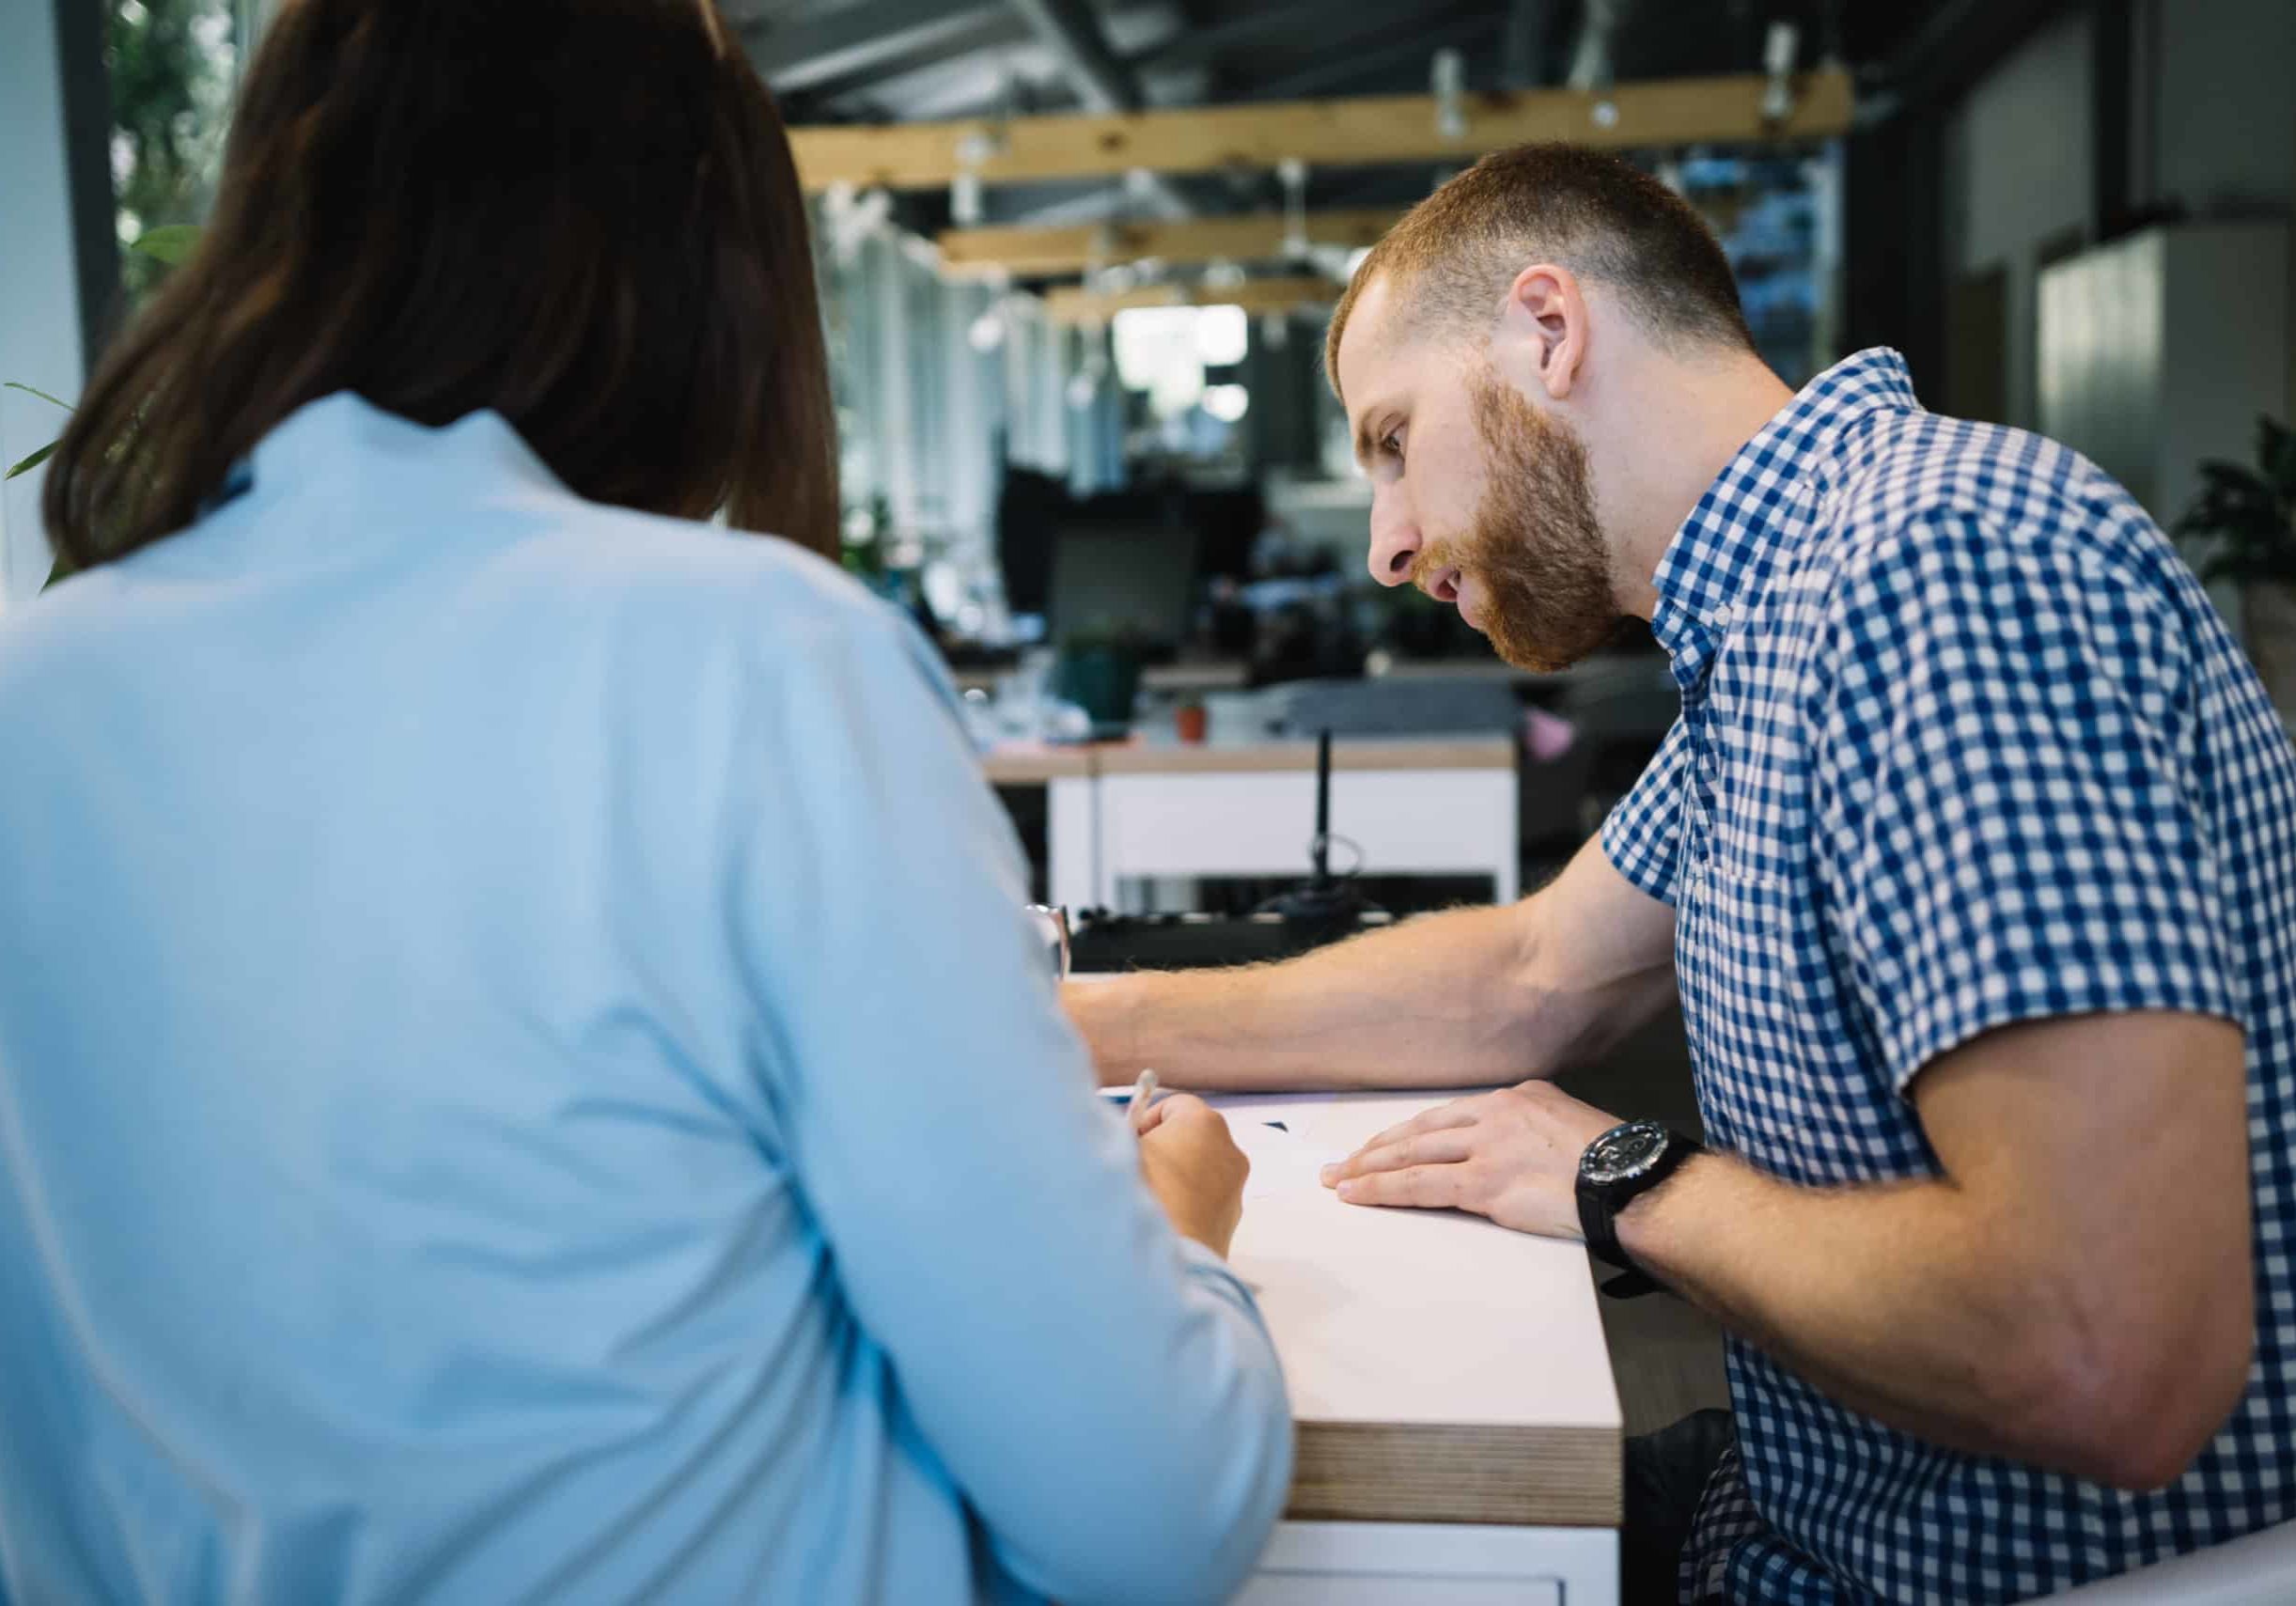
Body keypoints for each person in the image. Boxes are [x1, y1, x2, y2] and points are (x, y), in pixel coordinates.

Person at [0, 4, 1290, 1603]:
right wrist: (1177, 1239)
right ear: (706, 260)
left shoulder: (31, 701)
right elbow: (1149, 1515)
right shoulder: (759, 663)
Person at [1064, 144, 2296, 1604]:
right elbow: (1532, 973)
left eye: (1394, 440)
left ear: (1549, 328)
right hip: (1804, 1502)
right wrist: (1094, 1016)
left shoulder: (1933, 568)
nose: (1387, 544)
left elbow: (2108, 1348)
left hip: (1973, 1568)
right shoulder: (1776, 615)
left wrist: (1621, 1178)